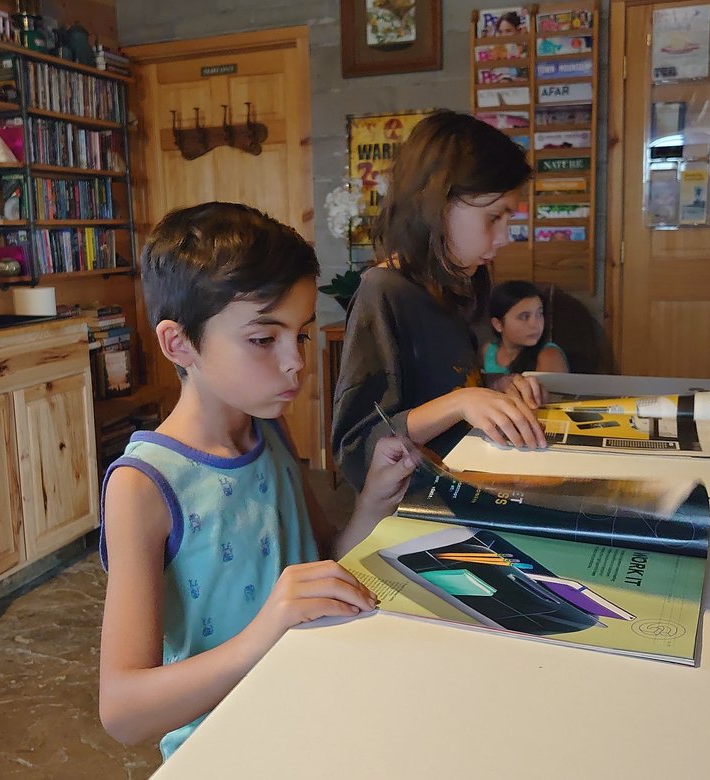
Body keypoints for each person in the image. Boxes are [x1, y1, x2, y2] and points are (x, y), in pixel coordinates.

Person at [97, 202, 416, 761]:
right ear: (179, 344)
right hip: (230, 749)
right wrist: (267, 632)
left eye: (302, 335)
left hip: (316, 710)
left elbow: (320, 561)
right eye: (265, 339)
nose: (296, 361)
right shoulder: (144, 485)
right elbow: (123, 711)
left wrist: (373, 500)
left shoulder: (270, 431)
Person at [332, 109, 548, 492]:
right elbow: (357, 447)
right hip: (415, 502)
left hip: (472, 478)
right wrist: (461, 403)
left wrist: (495, 390)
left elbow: (455, 381)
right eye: (495, 217)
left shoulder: (466, 281)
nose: (505, 237)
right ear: (439, 204)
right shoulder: (382, 291)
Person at [485, 280, 570, 375]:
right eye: (524, 317)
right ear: (498, 324)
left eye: (539, 314)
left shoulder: (549, 356)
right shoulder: (488, 351)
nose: (535, 324)